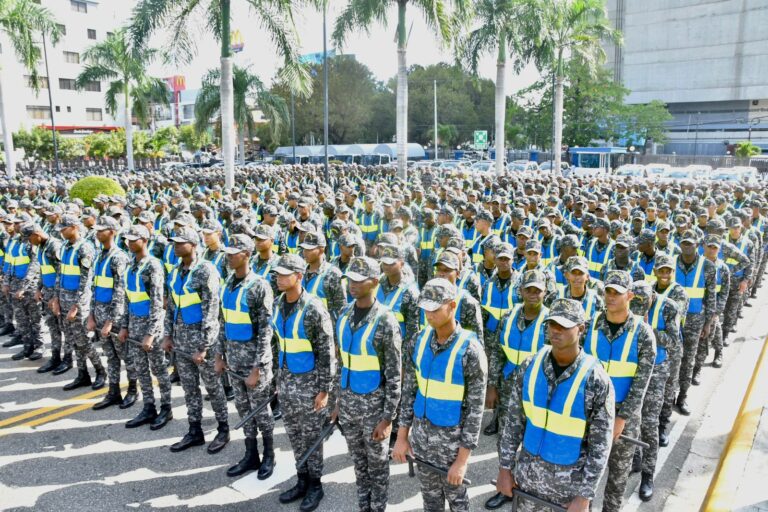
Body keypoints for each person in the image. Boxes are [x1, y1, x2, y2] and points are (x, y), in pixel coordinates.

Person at [494, 298, 615, 512]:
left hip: (568, 493)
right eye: (552, 324)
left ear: (581, 329)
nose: (556, 331)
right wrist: (505, 468)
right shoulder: (530, 366)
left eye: (564, 326)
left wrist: (584, 497)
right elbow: (513, 423)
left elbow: (600, 446)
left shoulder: (596, 379)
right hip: (527, 483)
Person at [394, 278, 488, 512]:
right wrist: (402, 437)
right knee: (430, 502)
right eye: (425, 307)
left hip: (451, 447)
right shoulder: (418, 340)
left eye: (435, 308)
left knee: (458, 504)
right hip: (422, 441)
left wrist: (462, 461)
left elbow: (476, 412)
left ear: (452, 306)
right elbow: (409, 393)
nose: (429, 313)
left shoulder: (470, 350)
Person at [330, 256, 402, 512]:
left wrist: (388, 418)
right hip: (349, 406)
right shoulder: (343, 313)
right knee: (359, 466)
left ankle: (378, 508)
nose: (352, 284)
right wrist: (338, 401)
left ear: (374, 282)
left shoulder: (385, 320)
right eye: (350, 278)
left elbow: (395, 375)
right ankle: (365, 507)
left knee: (378, 468)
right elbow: (342, 363)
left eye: (359, 280)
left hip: (374, 410)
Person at [583, 271, 656, 512]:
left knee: (617, 476)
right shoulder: (589, 324)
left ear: (630, 296)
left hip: (623, 415)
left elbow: (640, 384)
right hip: (588, 413)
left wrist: (621, 419)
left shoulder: (643, 334)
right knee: (584, 473)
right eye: (608, 291)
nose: (611, 296)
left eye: (617, 292)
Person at [273, 253, 336, 512]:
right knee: (294, 435)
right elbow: (279, 344)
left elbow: (327, 352)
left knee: (312, 438)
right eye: (277, 273)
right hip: (287, 384)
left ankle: (315, 484)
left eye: (284, 274)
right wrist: (278, 379)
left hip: (310, 387)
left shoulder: (313, 308)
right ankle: (301, 480)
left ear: (299, 276)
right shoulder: (278, 303)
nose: (278, 278)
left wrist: (325, 391)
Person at [484, 270, 550, 510]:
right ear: (520, 291)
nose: (533, 294)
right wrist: (492, 385)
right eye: (528, 289)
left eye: (538, 290)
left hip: (538, 392)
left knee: (533, 443)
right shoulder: (509, 316)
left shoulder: (552, 321)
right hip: (507, 385)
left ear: (545, 292)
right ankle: (506, 487)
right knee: (506, 440)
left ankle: (531, 490)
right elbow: (497, 351)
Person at [162, 226, 229, 454]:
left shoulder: (206, 270)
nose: (176, 246)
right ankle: (195, 430)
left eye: (181, 243)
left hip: (202, 344)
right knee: (189, 388)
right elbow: (172, 306)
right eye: (174, 243)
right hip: (181, 341)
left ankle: (223, 428)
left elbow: (211, 310)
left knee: (213, 387)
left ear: (192, 245)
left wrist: (205, 346)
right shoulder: (174, 272)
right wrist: (168, 335)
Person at [215, 234, 276, 479]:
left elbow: (266, 331)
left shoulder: (259, 286)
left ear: (247, 255)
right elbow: (223, 322)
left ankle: (269, 454)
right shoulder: (228, 283)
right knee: (242, 408)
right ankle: (251, 454)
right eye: (227, 252)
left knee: (261, 411)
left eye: (234, 253)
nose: (229, 257)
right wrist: (219, 355)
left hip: (253, 364)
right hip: (233, 362)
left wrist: (258, 367)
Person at [628, 280, 679, 501]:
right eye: (636, 302)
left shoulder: (668, 307)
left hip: (657, 370)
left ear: (653, 296)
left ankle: (648, 475)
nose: (639, 306)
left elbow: (674, 342)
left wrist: (651, 331)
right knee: (631, 422)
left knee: (649, 425)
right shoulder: (629, 306)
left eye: (643, 301)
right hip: (634, 369)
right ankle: (636, 458)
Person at [120, 225, 173, 430]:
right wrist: (124, 326)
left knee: (159, 369)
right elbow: (128, 298)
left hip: (152, 329)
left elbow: (157, 302)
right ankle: (148, 406)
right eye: (128, 240)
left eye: (134, 239)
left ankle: (166, 407)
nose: (130, 243)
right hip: (134, 325)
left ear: (144, 240)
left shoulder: (153, 266)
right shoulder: (130, 264)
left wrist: (151, 333)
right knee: (141, 368)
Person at [86, 217, 134, 410]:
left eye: (102, 230)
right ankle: (113, 391)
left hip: (114, 317)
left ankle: (132, 390)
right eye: (97, 230)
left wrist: (110, 321)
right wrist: (91, 315)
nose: (98, 233)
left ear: (112, 232)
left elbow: (120, 292)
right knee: (110, 356)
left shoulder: (119, 257)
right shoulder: (99, 256)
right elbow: (94, 287)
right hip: (99, 314)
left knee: (126, 356)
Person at [54, 215, 104, 391]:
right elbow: (60, 275)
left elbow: (85, 281)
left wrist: (76, 306)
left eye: (64, 228)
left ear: (74, 227)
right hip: (64, 300)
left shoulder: (85, 248)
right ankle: (82, 374)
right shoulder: (66, 247)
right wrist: (56, 299)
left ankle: (100, 370)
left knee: (82, 340)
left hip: (78, 304)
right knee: (73, 340)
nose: (61, 231)